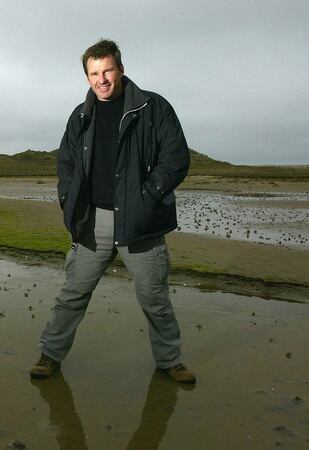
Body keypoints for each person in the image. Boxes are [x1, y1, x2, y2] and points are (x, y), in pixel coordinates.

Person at [30, 39, 195, 383]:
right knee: (73, 294)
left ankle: (169, 361)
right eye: (94, 73)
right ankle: (49, 355)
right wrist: (68, 199)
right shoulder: (80, 115)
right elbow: (66, 164)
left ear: (120, 69)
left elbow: (176, 157)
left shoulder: (153, 107)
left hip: (141, 221)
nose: (101, 78)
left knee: (155, 298)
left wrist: (149, 196)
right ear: (87, 77)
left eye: (107, 70)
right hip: (93, 221)